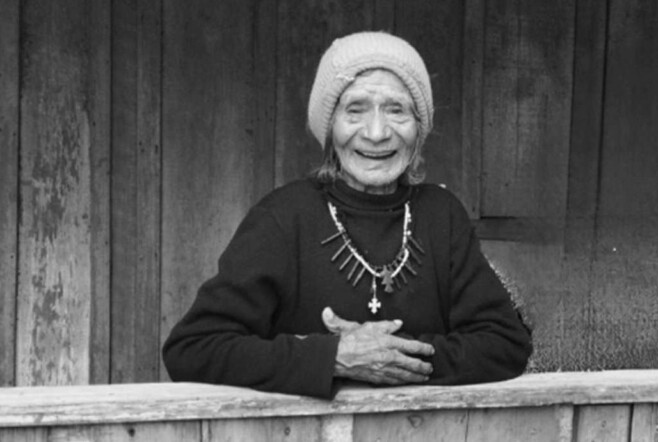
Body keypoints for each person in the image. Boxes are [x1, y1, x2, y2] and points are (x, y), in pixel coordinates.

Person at [162, 31, 532, 399]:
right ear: (330, 127)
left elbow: (506, 343)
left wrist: (389, 358)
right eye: (355, 110)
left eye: (396, 110)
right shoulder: (283, 217)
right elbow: (193, 349)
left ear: (419, 127)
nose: (376, 133)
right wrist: (333, 358)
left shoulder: (441, 215)